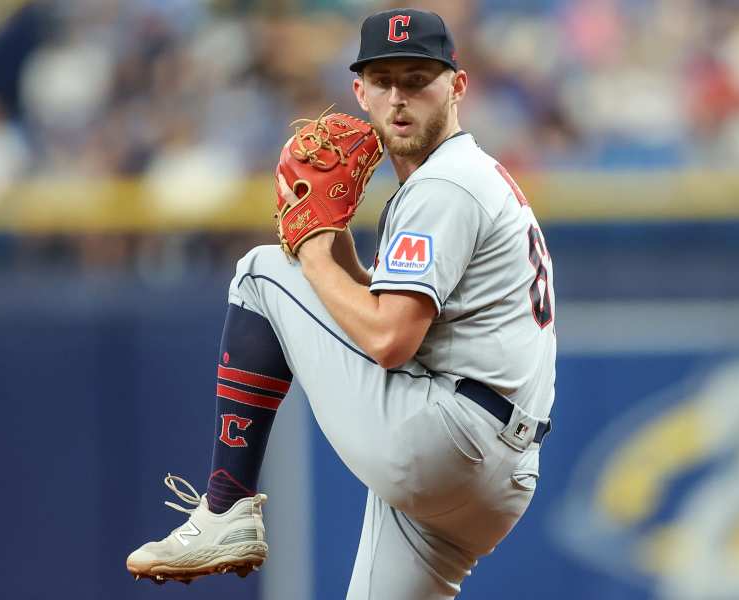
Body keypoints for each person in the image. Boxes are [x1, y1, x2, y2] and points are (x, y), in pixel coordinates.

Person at [126, 8, 556, 599]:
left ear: (456, 87)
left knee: (262, 272)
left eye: (417, 78)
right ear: (360, 91)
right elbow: (374, 309)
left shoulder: (442, 186)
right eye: (384, 81)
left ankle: (226, 506)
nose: (399, 97)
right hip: (496, 471)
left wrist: (310, 248)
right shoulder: (461, 177)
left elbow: (386, 340)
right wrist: (335, 241)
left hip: (449, 438)